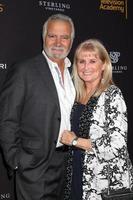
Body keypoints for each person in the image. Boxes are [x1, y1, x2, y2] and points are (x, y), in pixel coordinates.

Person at [0, 13, 75, 200]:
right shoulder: (24, 70)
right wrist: (16, 160)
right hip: (35, 165)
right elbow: (7, 119)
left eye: (64, 37)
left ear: (71, 41)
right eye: (52, 36)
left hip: (67, 163)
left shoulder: (75, 73)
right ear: (44, 38)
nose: (58, 42)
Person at [60, 39, 133, 200]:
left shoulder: (112, 95)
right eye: (81, 61)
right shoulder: (74, 95)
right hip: (76, 172)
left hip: (103, 182)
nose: (86, 67)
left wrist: (75, 141)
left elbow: (117, 145)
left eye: (92, 61)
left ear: (104, 65)